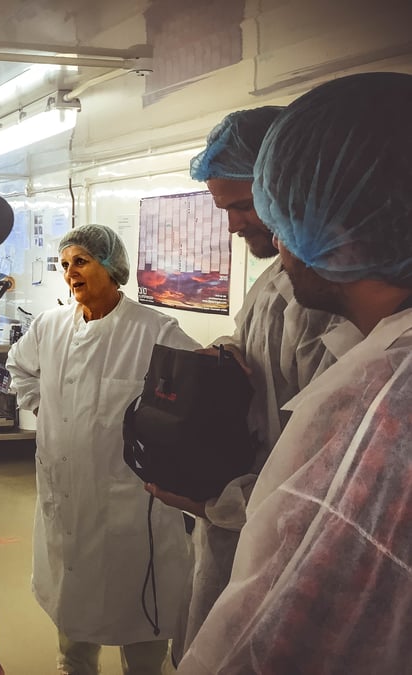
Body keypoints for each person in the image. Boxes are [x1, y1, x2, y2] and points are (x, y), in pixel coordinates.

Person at [179, 71, 412, 673]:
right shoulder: (287, 292)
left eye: (263, 209)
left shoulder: (376, 397)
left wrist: (217, 504)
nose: (254, 231)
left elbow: (300, 608)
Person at [143, 107, 359, 656]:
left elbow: (327, 476)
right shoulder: (275, 282)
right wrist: (222, 358)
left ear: (293, 189)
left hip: (281, 552)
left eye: (242, 205)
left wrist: (216, 504)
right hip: (241, 536)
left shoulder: (327, 305)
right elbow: (258, 358)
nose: (234, 225)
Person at [5, 225, 201, 675]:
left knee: (143, 627)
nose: (71, 272)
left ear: (111, 267)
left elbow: (197, 394)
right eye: (66, 263)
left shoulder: (153, 329)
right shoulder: (50, 327)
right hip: (67, 500)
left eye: (82, 261)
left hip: (132, 511)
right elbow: (19, 368)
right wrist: (43, 405)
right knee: (74, 621)